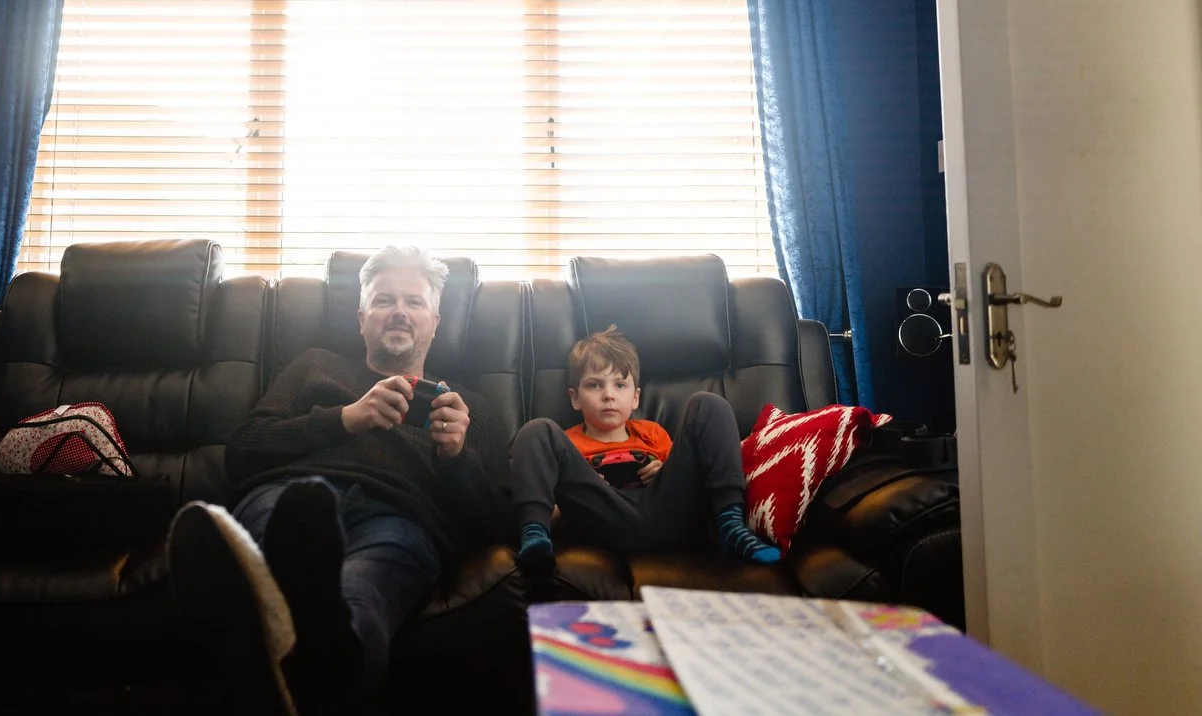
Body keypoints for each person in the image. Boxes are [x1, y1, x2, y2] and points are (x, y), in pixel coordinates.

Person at [165, 246, 510, 715]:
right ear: (362, 317)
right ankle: (313, 642)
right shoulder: (315, 366)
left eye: (414, 302)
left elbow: (489, 522)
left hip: (399, 518)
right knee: (296, 515)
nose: (399, 313)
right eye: (385, 300)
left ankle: (293, 633)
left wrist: (454, 456)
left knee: (362, 593)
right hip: (290, 494)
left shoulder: (472, 410)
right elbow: (243, 448)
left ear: (435, 320)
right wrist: (345, 418)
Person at [510, 325, 779, 579]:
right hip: (602, 518)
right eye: (594, 385)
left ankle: (730, 524)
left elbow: (684, 480)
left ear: (635, 397)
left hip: (666, 512)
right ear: (575, 398)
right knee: (537, 429)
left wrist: (662, 472)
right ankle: (534, 535)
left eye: (620, 385)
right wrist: (578, 495)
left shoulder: (652, 433)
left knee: (708, 403)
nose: (608, 395)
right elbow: (557, 509)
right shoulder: (564, 444)